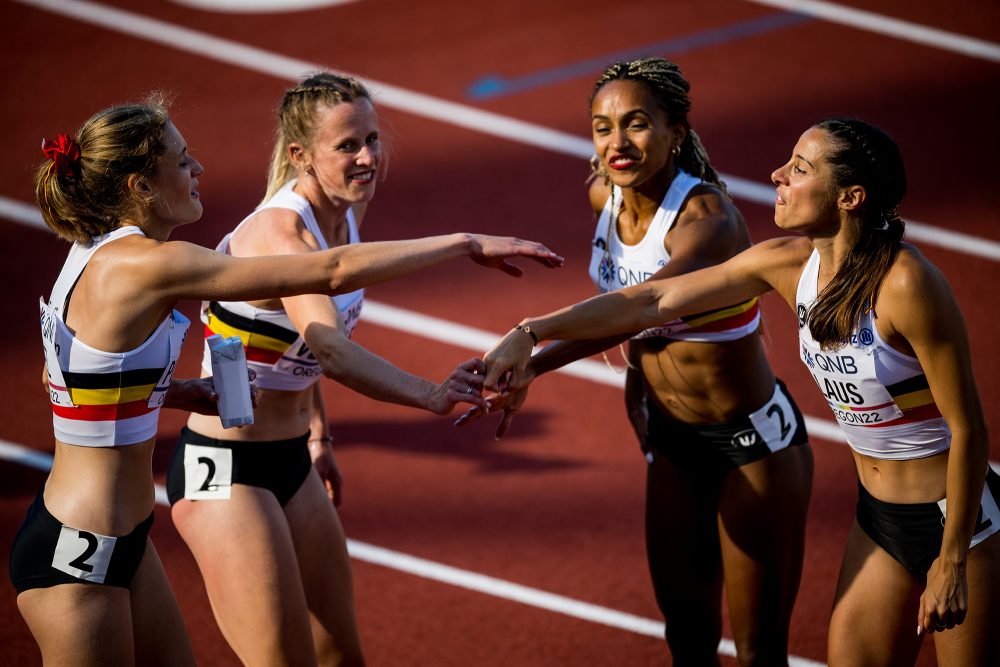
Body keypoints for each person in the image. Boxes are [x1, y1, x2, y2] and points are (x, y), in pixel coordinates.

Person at [8, 95, 562, 666]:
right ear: (139, 188)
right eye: (181, 160)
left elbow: (68, 374)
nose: (198, 169)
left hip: (123, 539)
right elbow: (330, 271)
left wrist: (172, 393)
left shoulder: (92, 254)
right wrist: (464, 244)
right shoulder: (147, 265)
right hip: (79, 552)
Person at [481, 117, 999, 666]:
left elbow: (968, 428)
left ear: (851, 196)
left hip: (964, 524)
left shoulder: (907, 285)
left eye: (799, 169)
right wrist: (532, 332)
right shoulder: (786, 263)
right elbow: (651, 301)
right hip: (878, 520)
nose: (776, 174)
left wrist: (951, 561)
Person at [164, 71, 558, 666]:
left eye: (372, 139)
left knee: (341, 657)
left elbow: (297, 342)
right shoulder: (280, 231)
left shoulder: (344, 214)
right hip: (223, 470)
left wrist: (318, 434)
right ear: (300, 155)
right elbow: (331, 348)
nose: (368, 157)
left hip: (291, 459)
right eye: (347, 145)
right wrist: (431, 393)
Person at [460, 57, 812, 666]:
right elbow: (614, 315)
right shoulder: (605, 192)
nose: (616, 143)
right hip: (674, 443)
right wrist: (536, 367)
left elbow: (645, 305)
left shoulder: (710, 224)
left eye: (637, 124)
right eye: (602, 127)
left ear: (677, 131)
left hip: (752, 448)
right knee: (687, 636)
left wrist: (531, 333)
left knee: (759, 652)